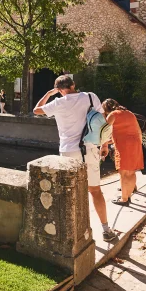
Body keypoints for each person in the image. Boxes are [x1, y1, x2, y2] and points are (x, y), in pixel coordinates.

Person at [34, 75, 117, 243]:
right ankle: (106, 230)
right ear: (73, 85)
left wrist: (50, 94)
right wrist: (105, 145)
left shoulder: (57, 103)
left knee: (69, 192)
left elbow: (36, 110)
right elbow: (102, 123)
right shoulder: (90, 97)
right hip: (89, 149)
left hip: (68, 152)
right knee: (95, 191)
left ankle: (71, 233)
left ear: (60, 90)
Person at [101, 99, 144, 206]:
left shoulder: (113, 115)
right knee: (131, 172)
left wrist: (104, 145)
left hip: (123, 145)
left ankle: (124, 199)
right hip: (135, 143)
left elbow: (104, 131)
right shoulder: (130, 113)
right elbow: (139, 131)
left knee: (123, 173)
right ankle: (128, 195)